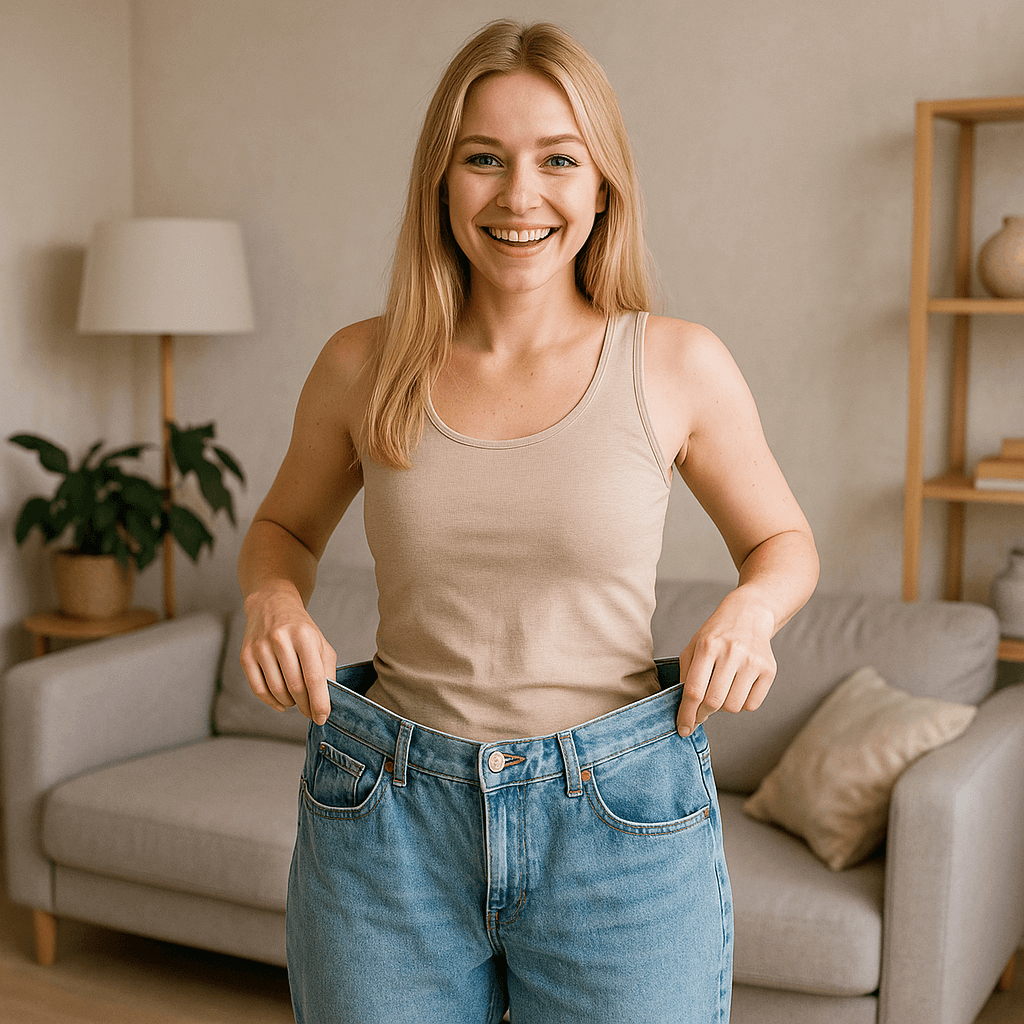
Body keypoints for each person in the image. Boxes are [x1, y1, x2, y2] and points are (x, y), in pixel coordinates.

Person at [237, 19, 818, 1024]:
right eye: (482, 160)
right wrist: (271, 598)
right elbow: (281, 529)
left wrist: (750, 613)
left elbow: (783, 544)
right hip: (387, 820)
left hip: (619, 823)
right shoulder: (358, 367)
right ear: (440, 182)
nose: (519, 194)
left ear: (602, 186)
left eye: (557, 158)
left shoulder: (676, 364)